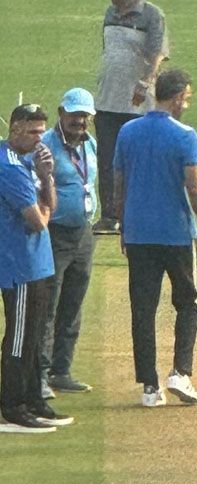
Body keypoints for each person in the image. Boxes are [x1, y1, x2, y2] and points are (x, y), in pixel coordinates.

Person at [113, 69, 197, 407]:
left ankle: (149, 387)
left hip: (139, 234)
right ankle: (180, 373)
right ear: (176, 98)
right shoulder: (186, 136)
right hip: (176, 233)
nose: (187, 103)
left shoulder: (128, 132)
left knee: (142, 309)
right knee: (188, 302)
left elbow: (119, 183)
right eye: (186, 97)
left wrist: (124, 226)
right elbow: (195, 188)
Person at [0, 104, 74, 433]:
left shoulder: (29, 162)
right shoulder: (9, 167)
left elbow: (51, 208)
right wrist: (44, 201)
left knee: (33, 337)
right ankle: (11, 408)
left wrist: (46, 177)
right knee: (19, 339)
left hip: (38, 263)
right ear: (15, 128)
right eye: (32, 131)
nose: (38, 138)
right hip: (20, 266)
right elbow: (38, 222)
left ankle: (32, 400)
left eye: (41, 131)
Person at [39, 89, 98, 400]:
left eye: (85, 115)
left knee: (73, 305)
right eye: (75, 114)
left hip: (83, 234)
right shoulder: (45, 146)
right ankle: (40, 374)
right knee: (47, 306)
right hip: (54, 234)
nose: (80, 121)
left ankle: (61, 371)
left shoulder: (90, 144)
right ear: (61, 111)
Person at [93, 0, 168, 235]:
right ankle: (109, 216)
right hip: (107, 99)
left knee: (138, 160)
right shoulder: (110, 13)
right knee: (106, 159)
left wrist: (146, 82)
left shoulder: (152, 14)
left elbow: (157, 54)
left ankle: (139, 214)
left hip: (137, 104)